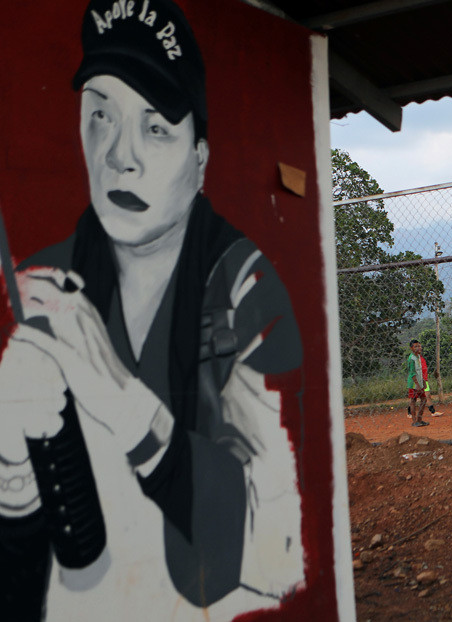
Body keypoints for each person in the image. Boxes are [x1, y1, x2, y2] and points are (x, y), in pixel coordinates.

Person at [0, 0, 304, 617]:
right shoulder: (43, 288)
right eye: (101, 116)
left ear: (200, 160)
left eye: (156, 126)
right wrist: (14, 472)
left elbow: (276, 555)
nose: (120, 155)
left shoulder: (245, 294)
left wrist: (119, 395)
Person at [407, 340, 430, 427]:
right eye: (415, 346)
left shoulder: (419, 357)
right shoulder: (411, 359)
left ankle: (419, 419)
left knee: (424, 399)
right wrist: (417, 384)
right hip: (414, 383)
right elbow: (412, 373)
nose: (418, 348)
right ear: (411, 348)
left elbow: (421, 371)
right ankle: (414, 421)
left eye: (419, 346)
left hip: (419, 381)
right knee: (413, 401)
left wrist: (423, 382)